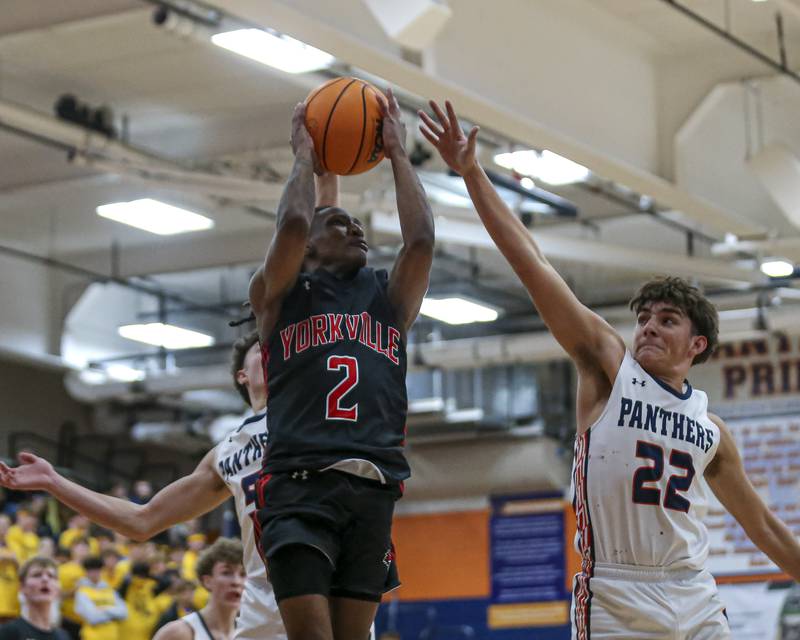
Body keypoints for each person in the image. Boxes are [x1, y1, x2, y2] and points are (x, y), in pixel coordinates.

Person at [420, 99, 800, 639]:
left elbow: (761, 524)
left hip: (692, 591)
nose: (647, 327)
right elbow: (534, 265)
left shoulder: (710, 429)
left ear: (698, 344)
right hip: (617, 595)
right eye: (643, 317)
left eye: (666, 320)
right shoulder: (608, 366)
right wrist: (472, 172)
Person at [0, 226, 333, 640]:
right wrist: (54, 482)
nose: (275, 352)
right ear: (242, 375)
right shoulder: (224, 453)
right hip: (261, 609)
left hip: (326, 596)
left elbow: (318, 297)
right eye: (263, 349)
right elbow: (142, 522)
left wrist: (323, 180)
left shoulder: (312, 410)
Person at [248, 88, 434, 640]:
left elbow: (421, 239)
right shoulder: (278, 297)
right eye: (340, 224)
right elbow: (291, 225)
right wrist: (304, 154)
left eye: (357, 226)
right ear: (308, 250)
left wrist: (399, 151)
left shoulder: (388, 300)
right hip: (300, 490)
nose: (356, 230)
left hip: (373, 493)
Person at [153, 539, 245, 640]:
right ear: (207, 581)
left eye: (243, 574)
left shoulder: (250, 632)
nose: (237, 581)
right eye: (226, 572)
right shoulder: (178, 633)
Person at [0, 557, 68, 640]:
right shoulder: (8, 632)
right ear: (21, 587)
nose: (45, 579)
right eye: (37, 575)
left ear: (58, 588)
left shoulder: (64, 636)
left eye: (51, 576)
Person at [73, 557, 127, 640]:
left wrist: (104, 609)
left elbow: (124, 613)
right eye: (91, 570)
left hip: (113, 636)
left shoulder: (109, 590)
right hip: (91, 637)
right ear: (86, 572)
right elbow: (93, 617)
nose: (94, 573)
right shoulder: (82, 591)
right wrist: (113, 613)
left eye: (97, 570)